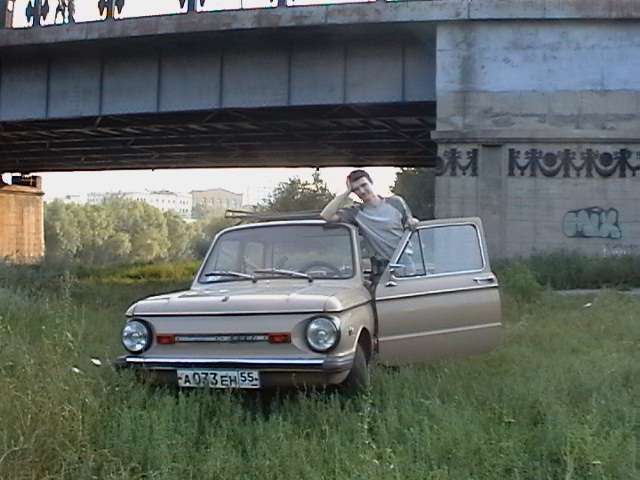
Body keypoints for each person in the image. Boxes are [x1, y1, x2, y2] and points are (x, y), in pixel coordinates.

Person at [321, 169, 418, 280]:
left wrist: (413, 221)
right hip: (381, 269)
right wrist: (347, 192)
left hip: (406, 264)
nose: (362, 191)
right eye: (356, 189)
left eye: (364, 185)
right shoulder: (356, 212)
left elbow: (410, 224)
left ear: (371, 182)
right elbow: (326, 215)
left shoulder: (396, 202)